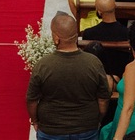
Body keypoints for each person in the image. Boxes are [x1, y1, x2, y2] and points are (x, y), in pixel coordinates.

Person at [26, 12, 111, 140]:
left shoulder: (43, 65)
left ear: (56, 38)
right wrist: (97, 120)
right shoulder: (94, 62)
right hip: (86, 128)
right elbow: (103, 98)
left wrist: (35, 121)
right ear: (76, 36)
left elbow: (31, 99)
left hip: (51, 129)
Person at [82, 0, 132, 77]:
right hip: (123, 74)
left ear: (99, 11)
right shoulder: (127, 33)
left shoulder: (88, 33)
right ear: (115, 7)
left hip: (99, 75)